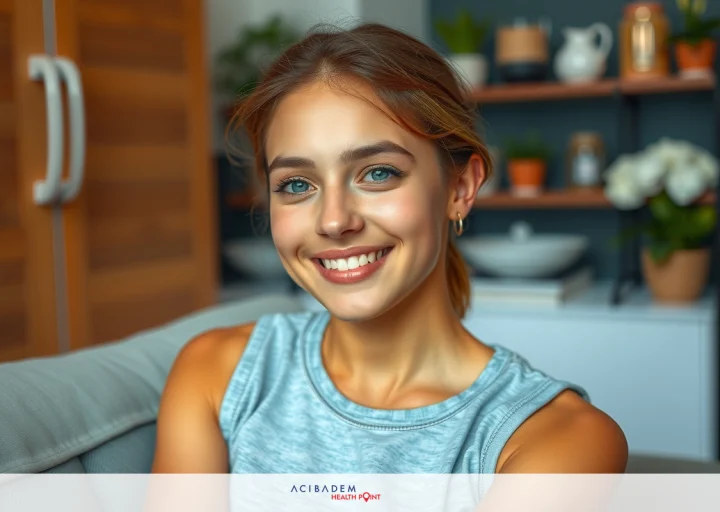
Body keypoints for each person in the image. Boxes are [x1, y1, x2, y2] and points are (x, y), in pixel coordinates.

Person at [151, 22, 628, 475]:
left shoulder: (557, 439)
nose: (335, 221)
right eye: (297, 184)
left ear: (460, 187)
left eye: (378, 173)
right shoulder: (215, 374)